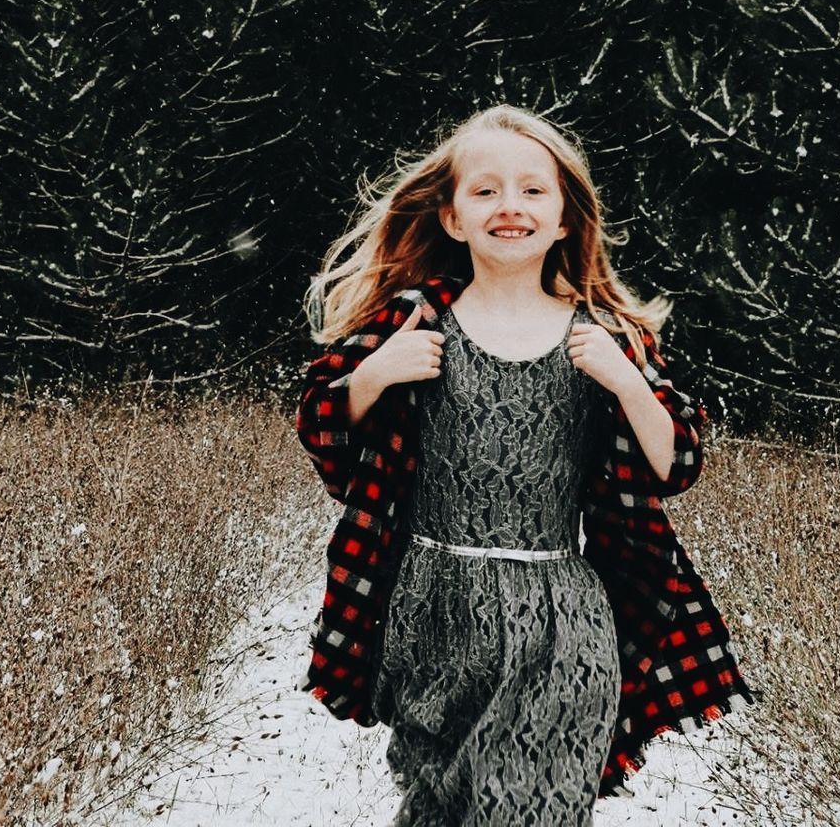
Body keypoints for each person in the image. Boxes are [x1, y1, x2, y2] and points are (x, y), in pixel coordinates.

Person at [295, 103, 754, 823]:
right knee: (440, 804)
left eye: (533, 190)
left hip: (561, 617)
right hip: (431, 611)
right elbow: (324, 436)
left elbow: (677, 464)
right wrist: (372, 377)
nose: (510, 206)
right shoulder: (414, 320)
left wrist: (627, 381)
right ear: (451, 217)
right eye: (485, 190)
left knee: (532, 805)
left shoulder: (606, 336)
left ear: (567, 217)